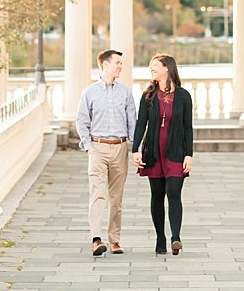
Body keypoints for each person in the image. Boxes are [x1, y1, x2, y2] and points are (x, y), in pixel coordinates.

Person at [131, 53, 194, 256]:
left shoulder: (183, 96)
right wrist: (135, 150)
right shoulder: (148, 95)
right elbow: (141, 123)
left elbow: (188, 127)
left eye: (155, 65)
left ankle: (176, 237)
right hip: (154, 152)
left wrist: (189, 154)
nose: (152, 69)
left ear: (167, 68)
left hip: (176, 152)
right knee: (157, 195)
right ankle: (160, 237)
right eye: (151, 66)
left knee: (174, 192)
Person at [75, 48, 136, 256]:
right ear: (106, 64)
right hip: (97, 148)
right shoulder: (89, 93)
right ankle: (96, 239)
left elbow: (132, 123)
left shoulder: (125, 92)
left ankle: (115, 240)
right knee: (98, 194)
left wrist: (135, 149)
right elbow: (82, 121)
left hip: (120, 148)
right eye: (118, 62)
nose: (121, 66)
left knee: (116, 198)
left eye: (121, 63)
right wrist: (88, 146)